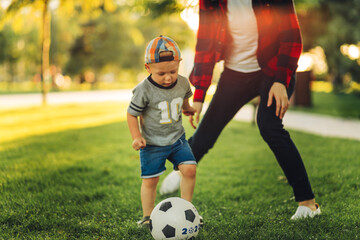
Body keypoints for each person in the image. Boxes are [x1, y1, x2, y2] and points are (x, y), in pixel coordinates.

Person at [160, 0, 321, 220]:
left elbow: (291, 38)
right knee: (207, 132)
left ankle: (308, 204)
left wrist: (281, 81)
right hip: (235, 73)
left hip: (272, 70)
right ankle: (180, 170)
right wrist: (199, 96)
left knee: (269, 126)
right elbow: (205, 45)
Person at [127, 35, 198, 227]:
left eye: (173, 71)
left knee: (190, 169)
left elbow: (183, 101)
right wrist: (136, 137)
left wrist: (188, 109)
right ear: (148, 68)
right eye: (161, 74)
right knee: (150, 181)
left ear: (179, 65)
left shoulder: (183, 83)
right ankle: (147, 217)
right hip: (152, 143)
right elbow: (131, 114)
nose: (168, 77)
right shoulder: (143, 90)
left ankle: (187, 211)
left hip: (177, 140)